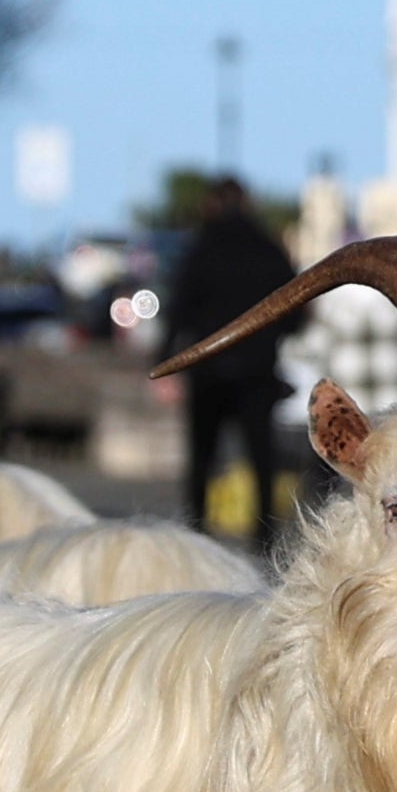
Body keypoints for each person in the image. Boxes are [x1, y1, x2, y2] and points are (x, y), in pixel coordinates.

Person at [159, 175, 297, 540]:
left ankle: (196, 534)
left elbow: (178, 311)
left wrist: (163, 365)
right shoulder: (268, 248)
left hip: (208, 374)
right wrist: (270, 340)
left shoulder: (201, 247)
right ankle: (265, 537)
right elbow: (296, 311)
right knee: (261, 457)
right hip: (257, 371)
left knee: (202, 457)